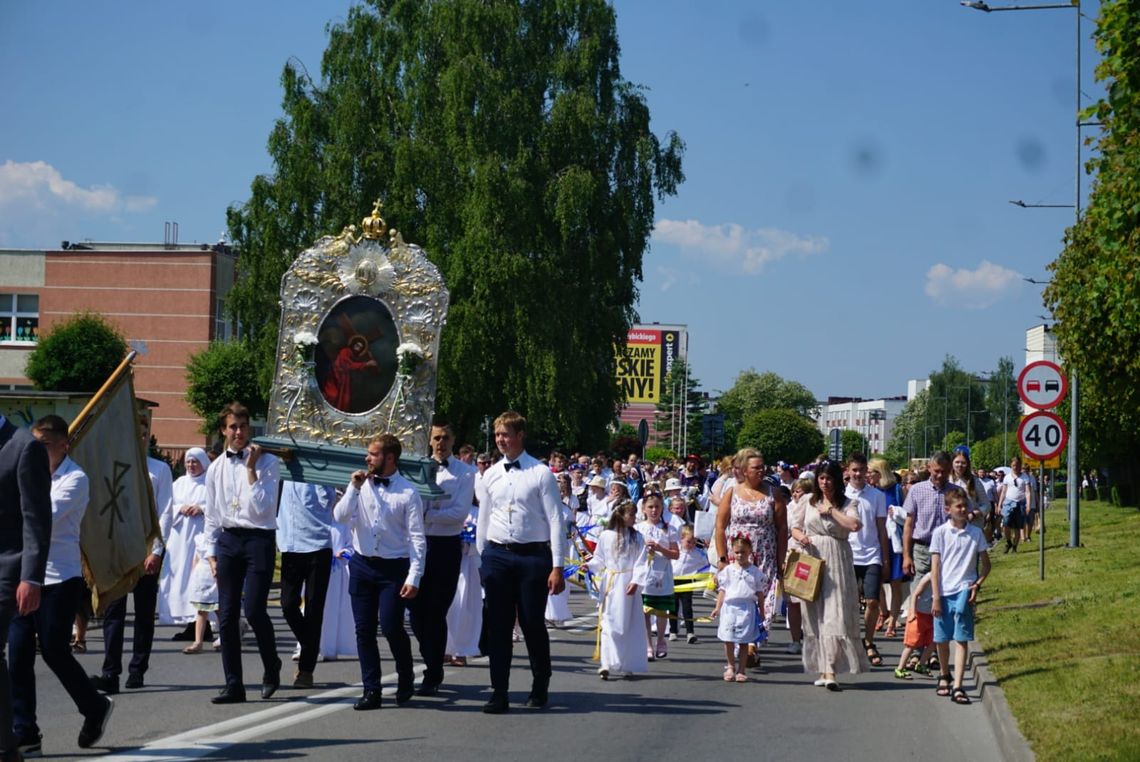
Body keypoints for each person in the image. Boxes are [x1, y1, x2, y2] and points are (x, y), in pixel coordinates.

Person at [9, 416, 112, 756]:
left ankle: (94, 707)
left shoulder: (76, 479)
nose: (37, 451)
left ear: (64, 445)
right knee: (18, 655)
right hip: (25, 576)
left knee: (54, 652)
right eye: (34, 445)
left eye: (44, 445)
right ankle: (25, 732)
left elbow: (40, 518)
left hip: (59, 578)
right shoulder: (24, 473)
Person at [474, 411, 567, 714]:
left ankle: (540, 683)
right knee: (498, 627)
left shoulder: (540, 473)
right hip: (498, 555)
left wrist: (557, 565)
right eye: (498, 435)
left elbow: (555, 520)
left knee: (531, 624)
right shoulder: (491, 475)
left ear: (520, 435)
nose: (501, 440)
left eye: (506, 434)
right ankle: (499, 691)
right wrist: (483, 558)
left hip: (532, 557)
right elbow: (483, 519)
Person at [334, 434, 425, 711]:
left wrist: (414, 576)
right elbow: (339, 517)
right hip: (362, 564)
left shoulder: (408, 493)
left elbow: (418, 538)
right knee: (363, 629)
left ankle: (406, 674)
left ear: (389, 458)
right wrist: (353, 488)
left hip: (392, 567)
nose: (367, 458)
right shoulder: (360, 487)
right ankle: (371, 689)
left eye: (372, 454)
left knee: (390, 626)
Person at [203, 402, 282, 704]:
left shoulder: (268, 463)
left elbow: (262, 508)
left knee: (254, 610)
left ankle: (271, 665)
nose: (238, 432)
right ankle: (233, 683)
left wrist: (250, 469)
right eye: (233, 427)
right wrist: (210, 551)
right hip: (228, 541)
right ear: (223, 430)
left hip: (258, 540)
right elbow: (211, 513)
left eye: (243, 426)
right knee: (226, 615)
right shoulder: (216, 468)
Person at [92, 414, 172, 694]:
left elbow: (165, 512)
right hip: (119, 549)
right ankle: (110, 672)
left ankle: (137, 668)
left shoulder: (159, 470)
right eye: (133, 433)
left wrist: (157, 550)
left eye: (143, 433)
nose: (138, 438)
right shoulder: (116, 467)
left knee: (143, 612)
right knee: (113, 611)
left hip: (145, 549)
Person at [0, 412, 53, 762]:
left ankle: (6, 747)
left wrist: (31, 577)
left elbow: (36, 518)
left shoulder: (24, 447)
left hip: (8, 568)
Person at [790, 459, 868, 691]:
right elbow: (795, 526)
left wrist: (831, 511)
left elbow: (854, 526)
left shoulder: (847, 503)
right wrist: (801, 537)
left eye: (829, 479)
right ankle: (823, 668)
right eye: (821, 478)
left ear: (837, 481)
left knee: (835, 614)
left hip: (837, 559)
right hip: (812, 557)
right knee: (815, 616)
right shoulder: (807, 501)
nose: (825, 483)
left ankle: (831, 669)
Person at [411, 419, 476, 695]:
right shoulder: (417, 467)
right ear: (430, 440)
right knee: (415, 614)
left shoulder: (465, 472)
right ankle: (431, 659)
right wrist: (425, 519)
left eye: (445, 438)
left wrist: (426, 516)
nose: (441, 443)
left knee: (436, 612)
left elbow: (459, 514)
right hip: (417, 546)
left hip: (446, 547)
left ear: (453, 440)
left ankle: (433, 671)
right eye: (436, 438)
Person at [713, 448, 786, 666]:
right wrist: (722, 558)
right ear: (744, 470)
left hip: (765, 554)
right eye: (756, 468)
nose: (761, 471)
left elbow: (782, 528)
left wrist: (781, 559)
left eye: (763, 467)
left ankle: (753, 644)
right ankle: (741, 643)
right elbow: (719, 526)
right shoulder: (732, 493)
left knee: (765, 600)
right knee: (738, 598)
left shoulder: (774, 493)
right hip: (738, 556)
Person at [931, 488, 991, 704]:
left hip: (964, 590)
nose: (964, 509)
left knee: (961, 638)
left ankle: (958, 685)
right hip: (943, 591)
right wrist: (936, 596)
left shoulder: (975, 533)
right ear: (948, 510)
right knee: (941, 638)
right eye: (959, 506)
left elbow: (986, 565)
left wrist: (976, 585)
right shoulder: (940, 533)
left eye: (966, 505)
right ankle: (944, 674)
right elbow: (935, 568)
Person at [277, 480, 337, 689]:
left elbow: (328, 502)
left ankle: (306, 670)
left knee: (314, 609)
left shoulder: (317, 475)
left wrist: (317, 480)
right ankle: (310, 644)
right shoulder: (283, 473)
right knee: (287, 605)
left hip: (318, 546)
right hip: (290, 546)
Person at [587, 501, 646, 680]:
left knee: (626, 624)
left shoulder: (637, 538)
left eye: (635, 515)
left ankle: (625, 662)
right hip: (611, 584)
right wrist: (589, 566)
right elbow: (599, 558)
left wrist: (636, 581)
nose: (634, 518)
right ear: (621, 515)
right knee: (608, 622)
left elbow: (641, 561)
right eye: (631, 515)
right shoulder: (606, 535)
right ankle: (606, 663)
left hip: (627, 583)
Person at [843, 453, 890, 668]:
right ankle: (851, 641)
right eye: (854, 470)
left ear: (867, 472)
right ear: (848, 471)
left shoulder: (877, 496)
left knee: (873, 601)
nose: (858, 474)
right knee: (849, 603)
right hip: (848, 554)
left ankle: (869, 640)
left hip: (871, 554)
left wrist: (886, 557)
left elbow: (882, 528)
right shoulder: (841, 494)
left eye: (862, 470)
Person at [162, 448, 210, 638]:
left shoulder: (210, 483)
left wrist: (201, 508)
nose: (191, 465)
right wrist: (180, 507)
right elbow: (167, 506)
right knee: (181, 578)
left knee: (199, 579)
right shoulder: (179, 483)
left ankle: (204, 625)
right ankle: (190, 624)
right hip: (180, 541)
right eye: (188, 462)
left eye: (195, 462)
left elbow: (217, 506)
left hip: (200, 538)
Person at [712, 535, 767, 683]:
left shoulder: (755, 572)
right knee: (728, 638)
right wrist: (717, 607)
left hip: (747, 608)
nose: (740, 555)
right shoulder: (728, 570)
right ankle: (730, 665)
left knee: (744, 640)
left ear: (750, 552)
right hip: (730, 608)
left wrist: (762, 611)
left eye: (743, 552)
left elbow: (760, 593)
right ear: (732, 553)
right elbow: (722, 590)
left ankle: (741, 669)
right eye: (737, 552)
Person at [635, 491, 679, 660]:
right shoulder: (638, 528)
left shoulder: (669, 529)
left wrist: (660, 548)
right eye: (650, 507)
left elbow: (675, 554)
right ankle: (648, 644)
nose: (654, 510)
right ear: (644, 509)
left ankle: (661, 640)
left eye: (657, 507)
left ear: (662, 508)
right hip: (644, 574)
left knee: (661, 610)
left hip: (662, 575)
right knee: (645, 611)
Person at [902, 452, 955, 580]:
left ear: (949, 470)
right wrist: (906, 556)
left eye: (944, 471)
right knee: (920, 594)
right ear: (929, 467)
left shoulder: (956, 492)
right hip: (922, 550)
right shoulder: (916, 490)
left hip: (947, 549)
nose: (940, 475)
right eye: (936, 471)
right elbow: (909, 525)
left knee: (945, 592)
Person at [868, 458, 905, 639]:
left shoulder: (896, 489)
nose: (868, 475)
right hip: (876, 540)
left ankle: (892, 620)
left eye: (871, 472)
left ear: (879, 473)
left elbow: (906, 514)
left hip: (893, 541)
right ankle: (883, 611)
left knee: (895, 583)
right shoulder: (871, 492)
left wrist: (896, 512)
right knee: (877, 582)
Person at [784, 476, 815, 655]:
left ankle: (811, 638)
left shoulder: (812, 506)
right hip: (793, 553)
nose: (796, 495)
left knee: (809, 600)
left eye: (800, 491)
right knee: (793, 602)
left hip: (810, 553)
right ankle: (796, 640)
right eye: (794, 491)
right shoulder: (789, 508)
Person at [892, 572, 934, 680]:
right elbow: (915, 594)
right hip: (919, 614)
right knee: (911, 644)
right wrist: (912, 612)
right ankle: (900, 668)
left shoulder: (945, 577)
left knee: (934, 642)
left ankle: (921, 664)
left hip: (932, 616)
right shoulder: (929, 577)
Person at [669, 525, 707, 644]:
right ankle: (673, 631)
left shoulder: (698, 554)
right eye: (689, 541)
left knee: (687, 608)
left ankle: (690, 632)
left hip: (687, 581)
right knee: (673, 607)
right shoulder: (675, 550)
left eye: (694, 542)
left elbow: (707, 564)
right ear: (681, 539)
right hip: (673, 580)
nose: (691, 544)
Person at [182, 533, 218, 654]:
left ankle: (227, 638)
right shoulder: (199, 538)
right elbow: (197, 557)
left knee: (221, 610)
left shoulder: (219, 536)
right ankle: (198, 642)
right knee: (202, 610)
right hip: (202, 575)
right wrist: (193, 575)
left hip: (216, 574)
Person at [996, 456, 1032, 554]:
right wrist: (999, 505)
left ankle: (1015, 547)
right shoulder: (1007, 477)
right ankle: (1008, 542)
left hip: (1020, 503)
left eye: (1017, 465)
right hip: (1008, 502)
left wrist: (1028, 505)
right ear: (1011, 466)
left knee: (1017, 527)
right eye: (1013, 465)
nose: (1015, 467)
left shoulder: (1025, 477)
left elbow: (1028, 492)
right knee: (1006, 524)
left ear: (1020, 466)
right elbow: (1003, 492)